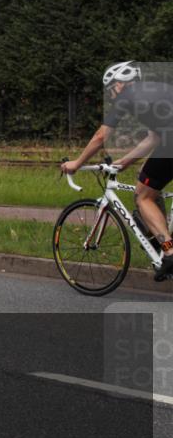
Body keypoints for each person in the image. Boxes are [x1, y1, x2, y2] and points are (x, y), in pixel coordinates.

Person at [61, 61, 173, 280]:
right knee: (149, 182)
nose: (111, 95)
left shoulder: (126, 96)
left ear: (119, 84)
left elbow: (101, 137)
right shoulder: (157, 91)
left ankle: (169, 251)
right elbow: (153, 138)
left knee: (143, 197)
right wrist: (125, 162)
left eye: (110, 89)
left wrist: (77, 163)